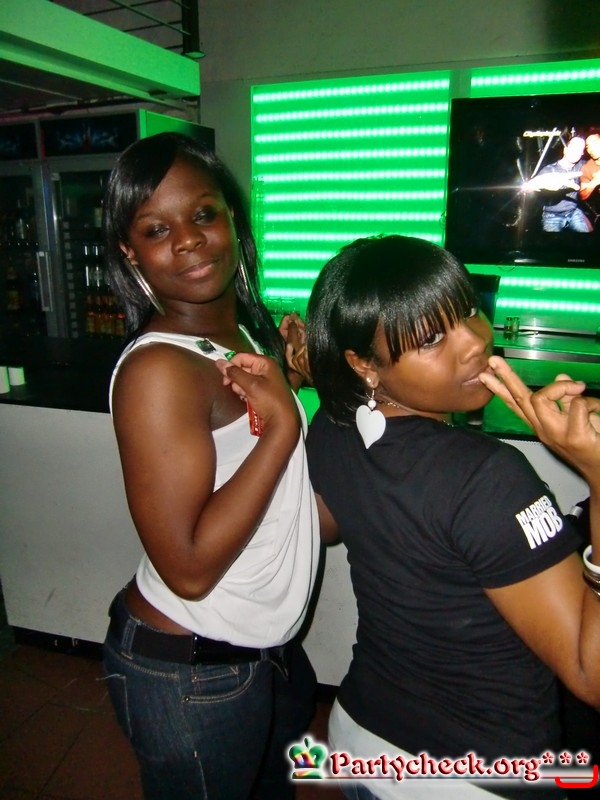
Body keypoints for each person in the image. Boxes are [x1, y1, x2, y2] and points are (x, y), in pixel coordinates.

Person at [300, 235, 600, 800]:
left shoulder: (333, 426)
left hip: (360, 737)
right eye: (432, 338)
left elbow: (332, 525)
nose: (476, 342)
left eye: (467, 310)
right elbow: (591, 677)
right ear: (365, 365)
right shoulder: (489, 476)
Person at [101, 131, 320, 800]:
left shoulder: (234, 333)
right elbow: (189, 569)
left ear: (232, 216)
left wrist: (298, 381)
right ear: (130, 252)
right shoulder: (158, 372)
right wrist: (283, 426)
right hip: (192, 673)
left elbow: (242, 445)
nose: (189, 240)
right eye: (156, 229)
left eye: (203, 214)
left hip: (259, 656)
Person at [523, 135, 591, 232]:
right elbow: (529, 186)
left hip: (574, 212)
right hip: (552, 216)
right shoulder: (550, 169)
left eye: (579, 149)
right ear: (565, 149)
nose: (576, 151)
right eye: (573, 147)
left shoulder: (583, 165)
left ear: (582, 153)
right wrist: (536, 184)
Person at [579, 133, 600, 225]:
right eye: (588, 146)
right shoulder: (587, 167)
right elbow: (582, 196)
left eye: (595, 143)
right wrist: (595, 182)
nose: (591, 149)